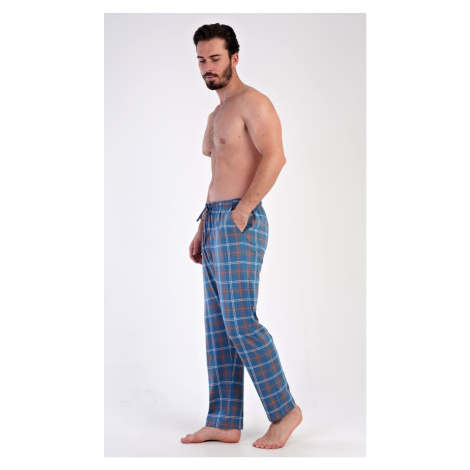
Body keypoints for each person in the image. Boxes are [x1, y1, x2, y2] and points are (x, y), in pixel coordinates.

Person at [182, 23, 302, 450]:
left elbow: (276, 156)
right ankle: (224, 421)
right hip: (215, 220)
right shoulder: (216, 114)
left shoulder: (254, 102)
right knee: (218, 326)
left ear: (234, 58)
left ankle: (285, 412)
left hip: (240, 219)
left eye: (215, 58)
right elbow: (219, 172)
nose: (207, 67)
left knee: (240, 323)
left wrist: (244, 209)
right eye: (201, 59)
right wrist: (203, 226)